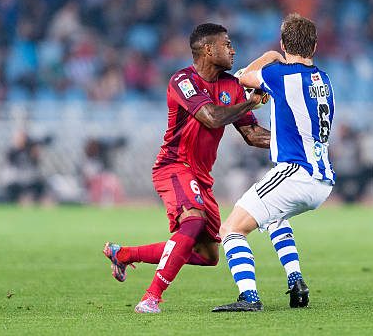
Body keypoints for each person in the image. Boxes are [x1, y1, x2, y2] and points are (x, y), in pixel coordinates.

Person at [101, 23, 270, 313]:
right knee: (192, 221)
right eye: (226, 44)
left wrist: (294, 141)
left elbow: (253, 135)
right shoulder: (183, 80)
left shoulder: (232, 86)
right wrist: (250, 103)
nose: (233, 50)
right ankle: (150, 298)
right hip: (174, 165)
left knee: (207, 255)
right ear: (208, 49)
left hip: (201, 176)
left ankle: (124, 254)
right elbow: (211, 117)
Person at [212, 13, 335, 312]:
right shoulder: (324, 79)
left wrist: (269, 55)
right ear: (315, 46)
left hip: (295, 173)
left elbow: (242, 77)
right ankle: (296, 282)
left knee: (230, 229)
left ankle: (249, 297)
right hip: (322, 180)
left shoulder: (280, 75)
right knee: (275, 217)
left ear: (283, 43)